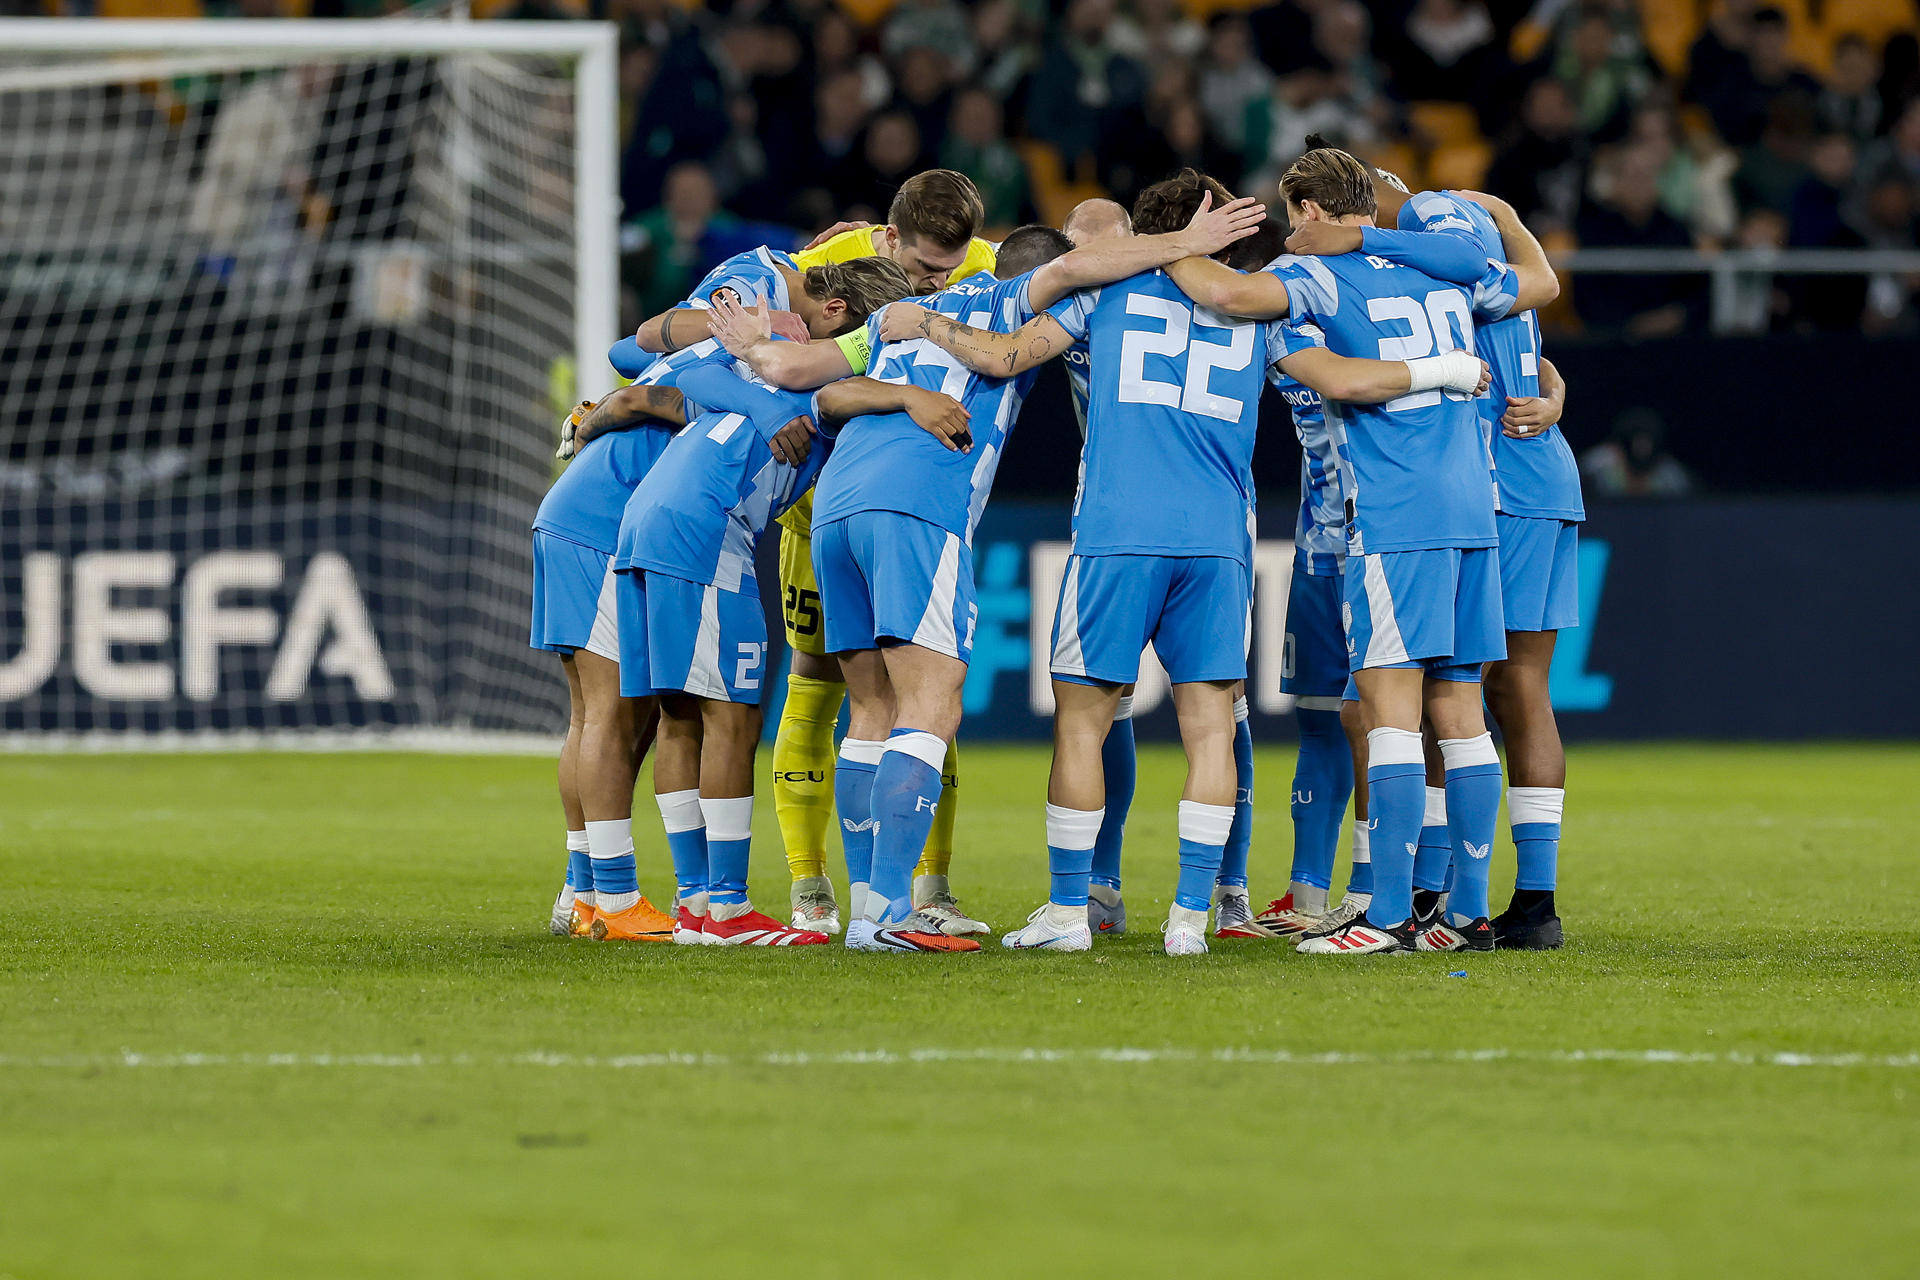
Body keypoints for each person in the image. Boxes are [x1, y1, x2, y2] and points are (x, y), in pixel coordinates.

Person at [886, 173, 1486, 955]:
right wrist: (1446, 371)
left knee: (1083, 720)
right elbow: (1340, 380)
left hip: (1118, 532)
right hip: (1218, 540)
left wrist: (927, 321)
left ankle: (1068, 913)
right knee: (1210, 728)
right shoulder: (1264, 312)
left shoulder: (1104, 295)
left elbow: (1001, 357)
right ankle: (1191, 919)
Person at [811, 203, 1269, 954]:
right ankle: (889, 915)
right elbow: (1047, 296)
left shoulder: (913, 308)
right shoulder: (1034, 298)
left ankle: (871, 905)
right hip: (929, 505)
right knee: (935, 706)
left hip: (839, 501)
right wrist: (1187, 245)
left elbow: (820, 388)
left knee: (872, 709)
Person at [1162, 147, 1527, 955]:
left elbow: (1230, 294)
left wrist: (1169, 246)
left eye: (1294, 215)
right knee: (1460, 713)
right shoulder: (1439, 270)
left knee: (1388, 713)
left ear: (1309, 210)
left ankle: (1388, 915)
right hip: (1473, 505)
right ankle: (1465, 915)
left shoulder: (1316, 277)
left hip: (1395, 513)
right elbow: (1513, 277)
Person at [611, 297, 978, 946]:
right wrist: (904, 395)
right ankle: (727, 907)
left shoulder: (735, 379)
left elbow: (656, 373)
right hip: (708, 536)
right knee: (734, 717)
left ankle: (694, 903)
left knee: (679, 716)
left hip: (643, 527)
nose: (795, 331)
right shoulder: (801, 386)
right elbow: (835, 394)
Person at [764, 171, 998, 938]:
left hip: (891, 497)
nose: (938, 282)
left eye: (950, 268)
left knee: (913, 696)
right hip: (819, 507)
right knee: (821, 688)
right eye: (926, 267)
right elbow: (784, 361)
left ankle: (923, 887)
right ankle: (811, 882)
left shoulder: (981, 264)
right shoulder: (822, 264)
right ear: (890, 239)